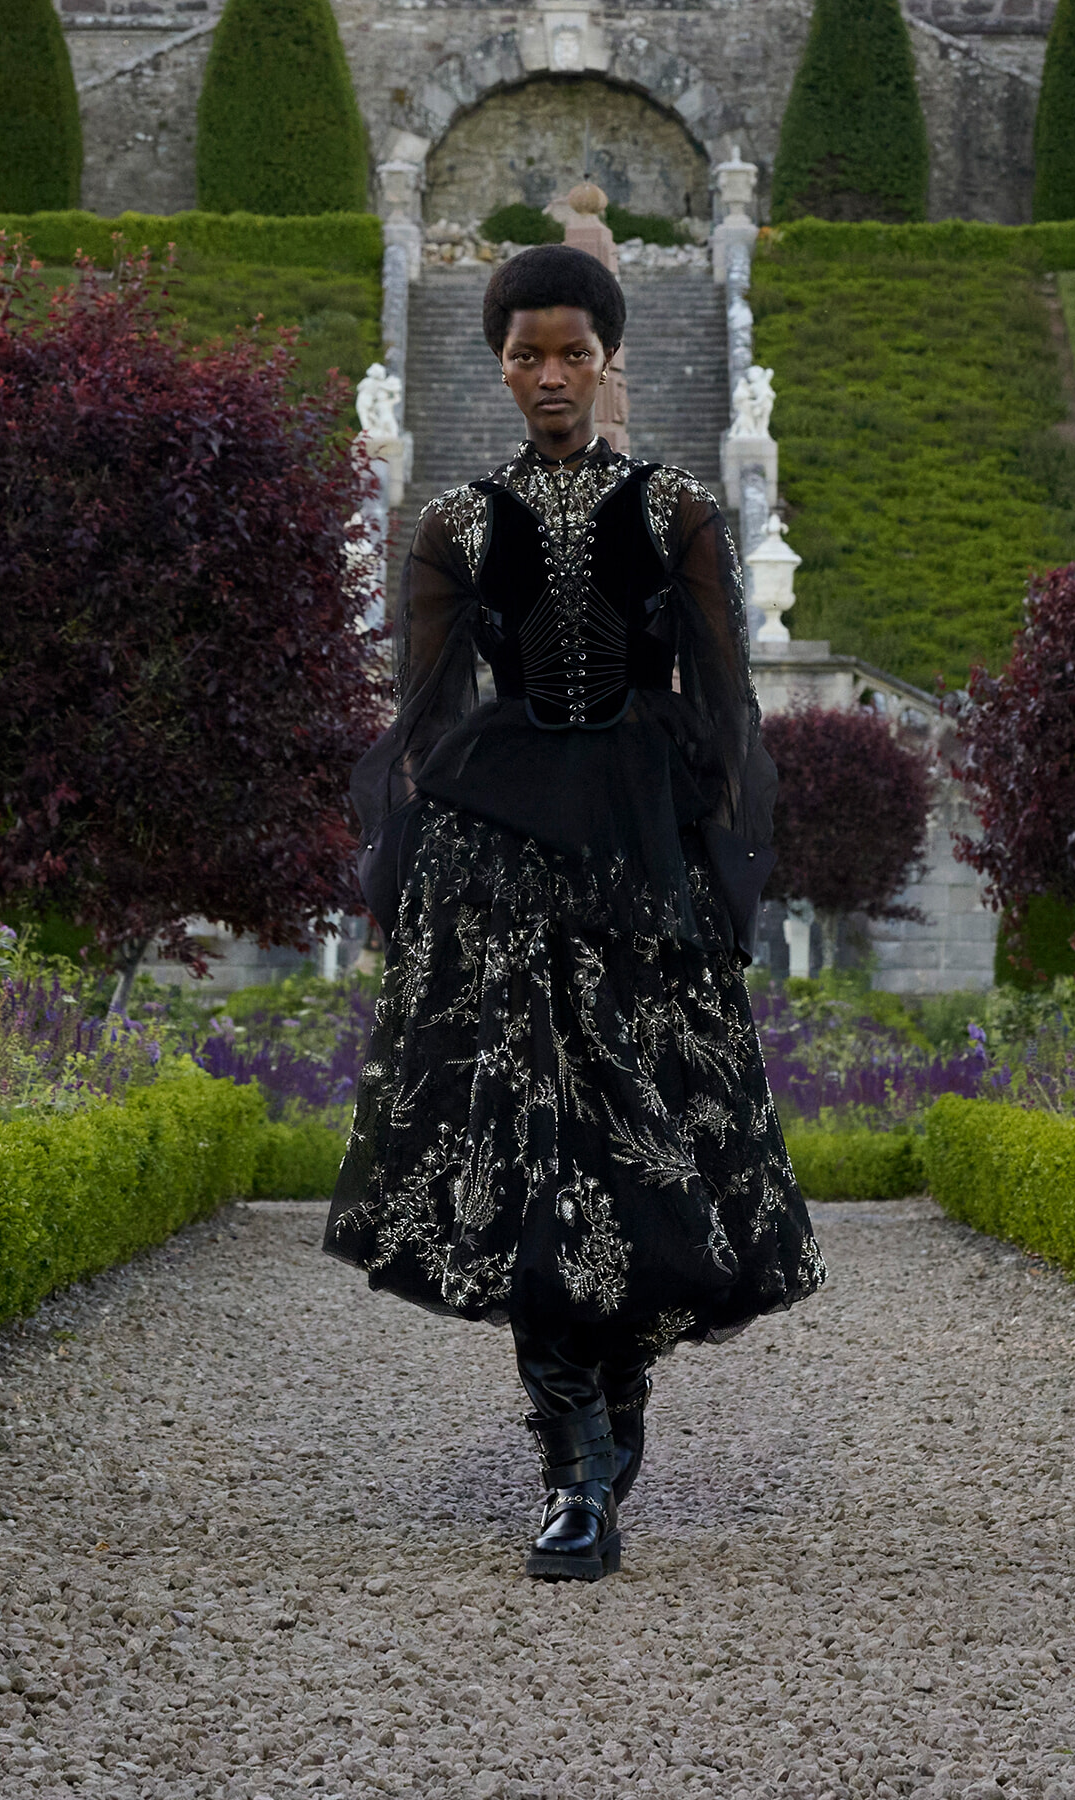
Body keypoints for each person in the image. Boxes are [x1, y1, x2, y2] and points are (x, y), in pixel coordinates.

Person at [324, 244, 826, 1582]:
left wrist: (714, 874)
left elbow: (724, 710)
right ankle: (573, 1465)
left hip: (640, 868)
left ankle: (615, 1420)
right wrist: (416, 892)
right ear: (500, 365)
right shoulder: (453, 525)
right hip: (502, 874)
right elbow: (425, 724)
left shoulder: (677, 515)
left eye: (571, 354)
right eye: (524, 355)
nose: (548, 375)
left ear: (611, 360)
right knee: (532, 1159)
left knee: (643, 1157)